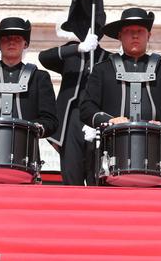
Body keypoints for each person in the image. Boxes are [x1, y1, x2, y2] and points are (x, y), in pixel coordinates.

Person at [80, 8, 161, 131]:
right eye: (129, 31)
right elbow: (86, 108)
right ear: (120, 36)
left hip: (156, 144)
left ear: (148, 35)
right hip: (112, 144)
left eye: (140, 31)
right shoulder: (102, 69)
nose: (135, 36)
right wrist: (109, 121)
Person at [38, 26, 111, 186]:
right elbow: (44, 57)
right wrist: (77, 48)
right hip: (71, 119)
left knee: (96, 176)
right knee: (72, 175)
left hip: (95, 120)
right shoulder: (72, 53)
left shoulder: (110, 59)